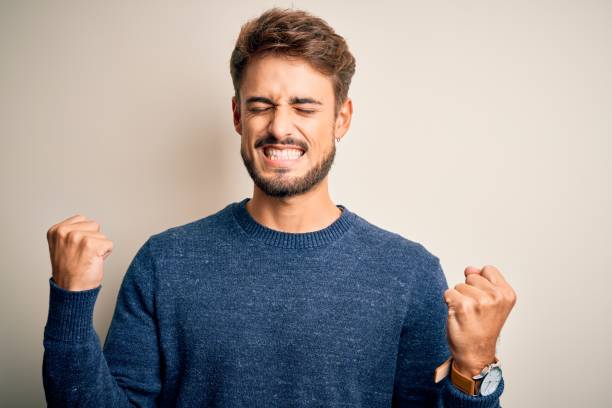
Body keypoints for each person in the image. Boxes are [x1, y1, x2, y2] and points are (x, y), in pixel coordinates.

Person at [43, 7, 516, 407]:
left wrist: (475, 365)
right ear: (237, 116)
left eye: (305, 107)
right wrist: (71, 301)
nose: (279, 127)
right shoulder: (163, 263)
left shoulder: (408, 272)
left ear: (342, 119)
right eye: (261, 105)